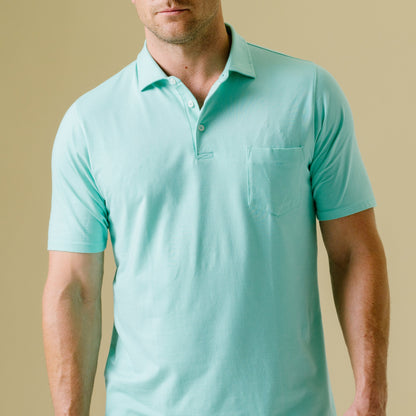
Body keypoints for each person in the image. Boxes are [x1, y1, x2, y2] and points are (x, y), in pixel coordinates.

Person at [42, 1, 390, 415]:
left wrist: (371, 398)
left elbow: (354, 252)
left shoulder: (310, 94)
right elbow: (74, 289)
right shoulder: (89, 124)